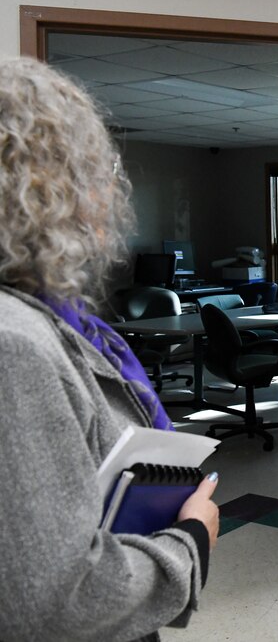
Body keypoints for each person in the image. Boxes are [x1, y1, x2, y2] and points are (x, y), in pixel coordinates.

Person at [0, 57, 220, 640]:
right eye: (94, 170)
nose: (106, 193)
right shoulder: (12, 345)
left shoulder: (48, 321)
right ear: (44, 187)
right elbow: (57, 599)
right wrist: (189, 543)